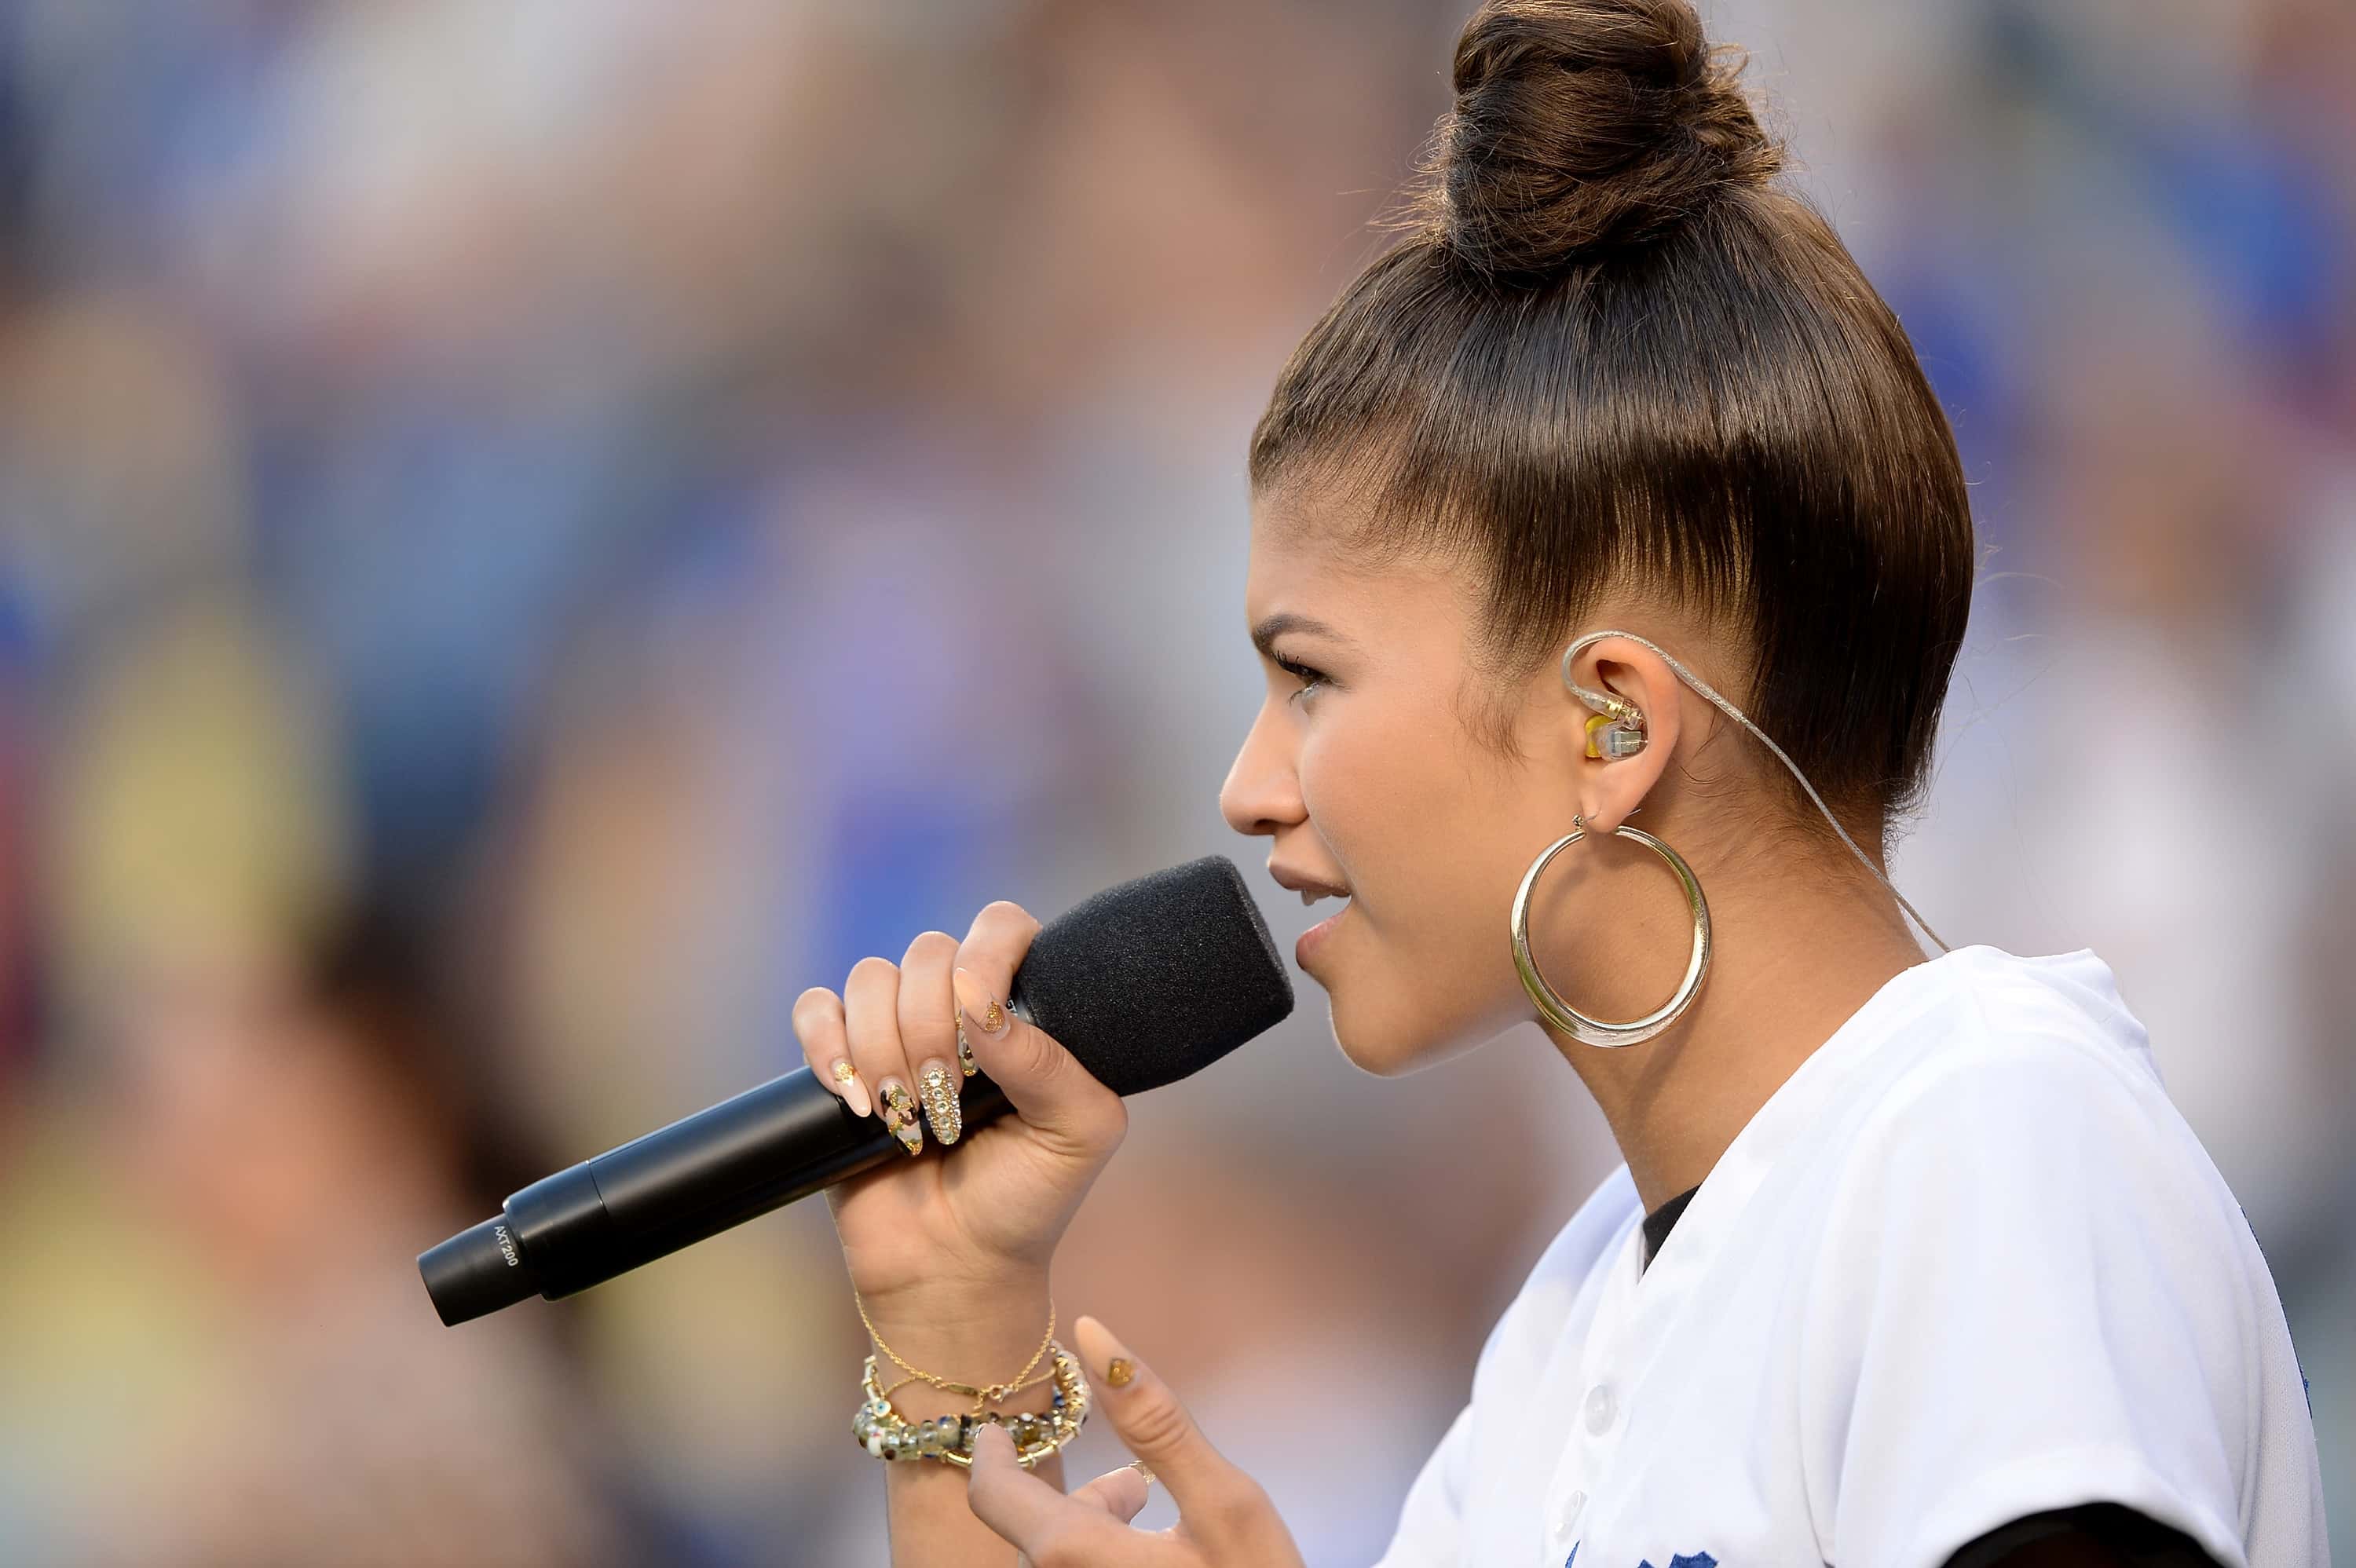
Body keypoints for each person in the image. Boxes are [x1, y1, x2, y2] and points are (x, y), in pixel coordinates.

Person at [791, 1, 2329, 1563]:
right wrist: (961, 1337)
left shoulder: (1989, 1133)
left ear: (1612, 726)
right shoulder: (1565, 1341)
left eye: (1309, 675)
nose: (1250, 790)